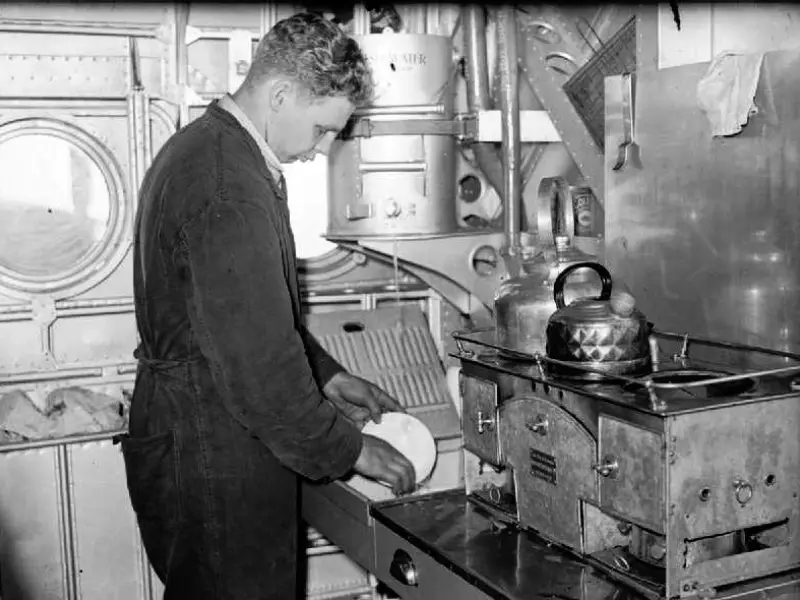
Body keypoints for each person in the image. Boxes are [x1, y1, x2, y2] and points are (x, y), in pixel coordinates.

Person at [121, 12, 416, 600]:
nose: (323, 149)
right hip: (215, 448)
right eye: (323, 129)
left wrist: (327, 377)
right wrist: (356, 451)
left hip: (201, 427)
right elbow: (260, 373)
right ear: (280, 95)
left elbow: (244, 315)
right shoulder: (228, 186)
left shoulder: (209, 150)